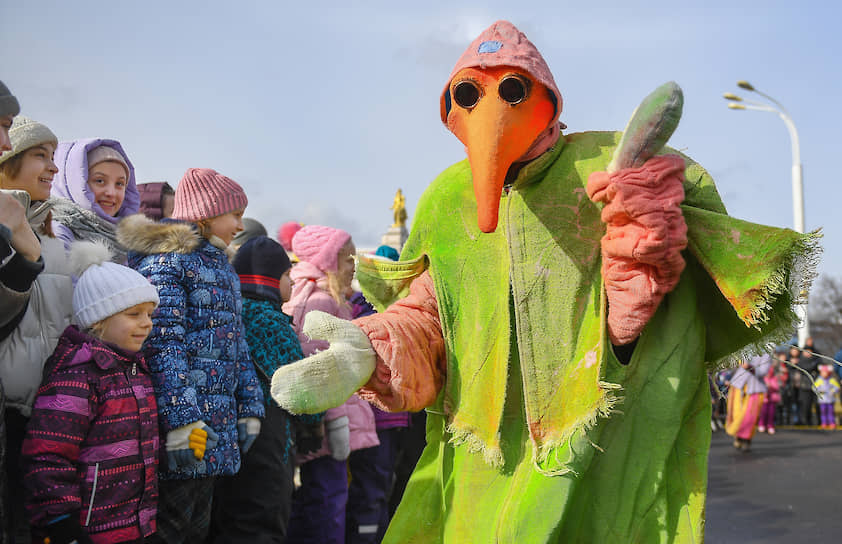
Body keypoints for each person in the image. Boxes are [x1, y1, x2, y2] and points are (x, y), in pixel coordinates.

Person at [272, 21, 817, 542]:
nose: (490, 109)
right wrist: (367, 349)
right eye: (467, 94)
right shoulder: (448, 199)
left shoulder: (597, 168)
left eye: (513, 88)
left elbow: (652, 302)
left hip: (597, 443)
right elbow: (432, 311)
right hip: (485, 457)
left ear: (550, 101)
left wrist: (635, 268)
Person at [118, 168, 264, 544]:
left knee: (196, 531)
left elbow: (237, 345)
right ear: (206, 213)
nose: (239, 223)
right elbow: (163, 344)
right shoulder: (169, 261)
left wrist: (249, 406)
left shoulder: (221, 267)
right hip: (185, 431)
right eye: (234, 213)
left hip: (214, 429)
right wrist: (182, 422)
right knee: (170, 531)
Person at [21, 243, 160, 543]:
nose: (147, 323)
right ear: (98, 321)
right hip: (90, 530)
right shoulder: (77, 376)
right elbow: (49, 454)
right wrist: (61, 523)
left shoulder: (137, 371)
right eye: (134, 313)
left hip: (135, 526)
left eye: (149, 313)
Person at [280, 225, 378, 544]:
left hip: (329, 424)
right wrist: (334, 424)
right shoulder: (321, 301)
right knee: (327, 502)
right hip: (327, 428)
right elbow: (321, 371)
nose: (354, 266)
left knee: (322, 500)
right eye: (347, 259)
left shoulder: (323, 298)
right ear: (328, 261)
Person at [0, 115, 73, 543]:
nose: (53, 168)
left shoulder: (51, 234)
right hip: (10, 407)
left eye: (54, 157)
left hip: (48, 409)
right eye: (39, 156)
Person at [208, 235, 306, 543]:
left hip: (229, 427)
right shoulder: (272, 323)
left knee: (232, 513)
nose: (292, 282)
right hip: (269, 434)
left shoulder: (231, 312)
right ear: (271, 280)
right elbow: (301, 382)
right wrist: (314, 425)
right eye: (287, 275)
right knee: (263, 514)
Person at [50, 138, 140, 263]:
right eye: (99, 181)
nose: (111, 193)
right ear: (73, 183)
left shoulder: (124, 242)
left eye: (119, 183)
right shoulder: (56, 233)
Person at [725, 354, 772, 451]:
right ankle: (738, 436)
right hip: (738, 386)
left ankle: (746, 439)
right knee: (736, 414)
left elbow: (763, 372)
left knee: (749, 416)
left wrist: (749, 367)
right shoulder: (745, 349)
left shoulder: (766, 354)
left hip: (754, 389)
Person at [759, 362, 783, 434]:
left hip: (772, 398)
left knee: (771, 413)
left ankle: (770, 425)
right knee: (763, 412)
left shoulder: (774, 378)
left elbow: (777, 387)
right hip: (764, 398)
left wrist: (771, 386)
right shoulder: (763, 379)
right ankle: (762, 424)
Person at [814, 363, 840, 429]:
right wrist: (819, 391)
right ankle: (824, 423)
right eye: (823, 372)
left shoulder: (832, 380)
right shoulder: (819, 380)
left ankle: (832, 423)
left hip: (830, 399)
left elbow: (837, 387)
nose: (824, 374)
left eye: (825, 372)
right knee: (823, 412)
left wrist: (832, 391)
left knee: (830, 412)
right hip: (822, 400)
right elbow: (814, 388)